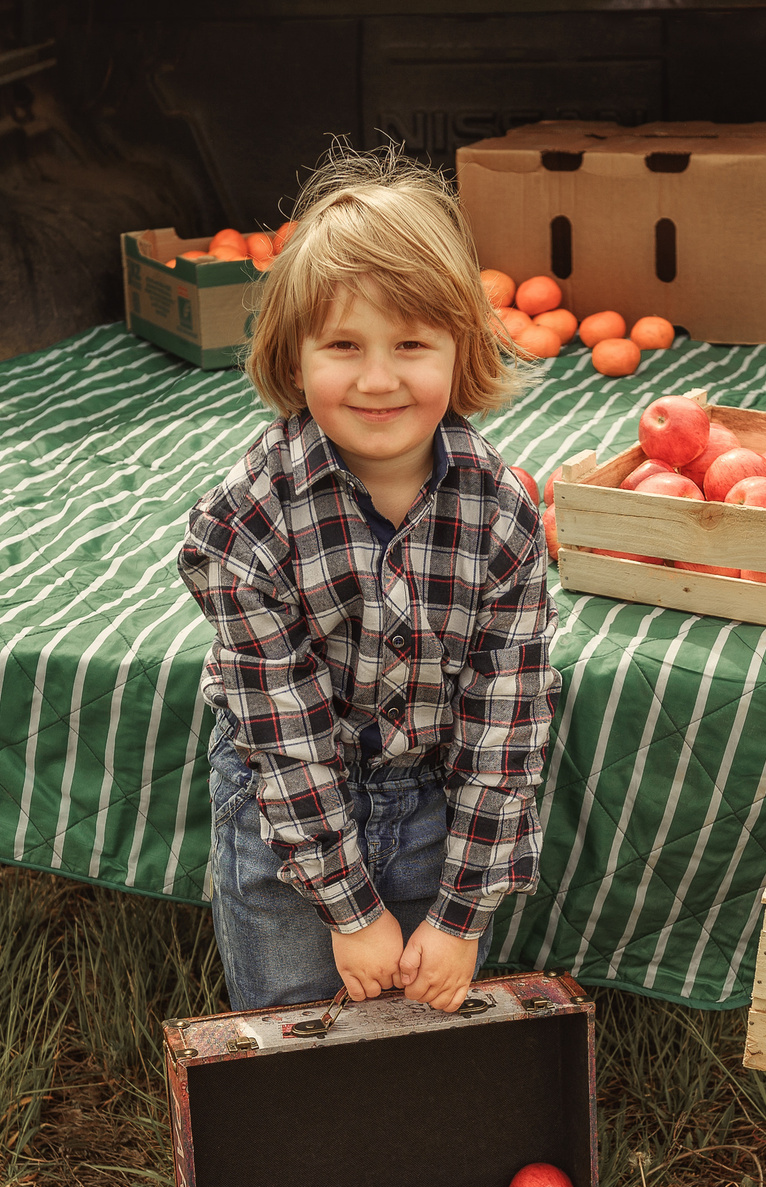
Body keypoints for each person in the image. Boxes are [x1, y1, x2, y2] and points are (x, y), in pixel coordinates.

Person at [178, 146, 557, 1016]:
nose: (378, 378)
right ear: (294, 352)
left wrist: (461, 916)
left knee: (418, 1029)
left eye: (412, 344)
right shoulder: (248, 525)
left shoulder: (502, 516)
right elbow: (281, 725)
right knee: (295, 1025)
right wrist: (349, 909)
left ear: (461, 350)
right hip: (286, 807)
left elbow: (507, 724)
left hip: (436, 790)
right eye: (343, 345)